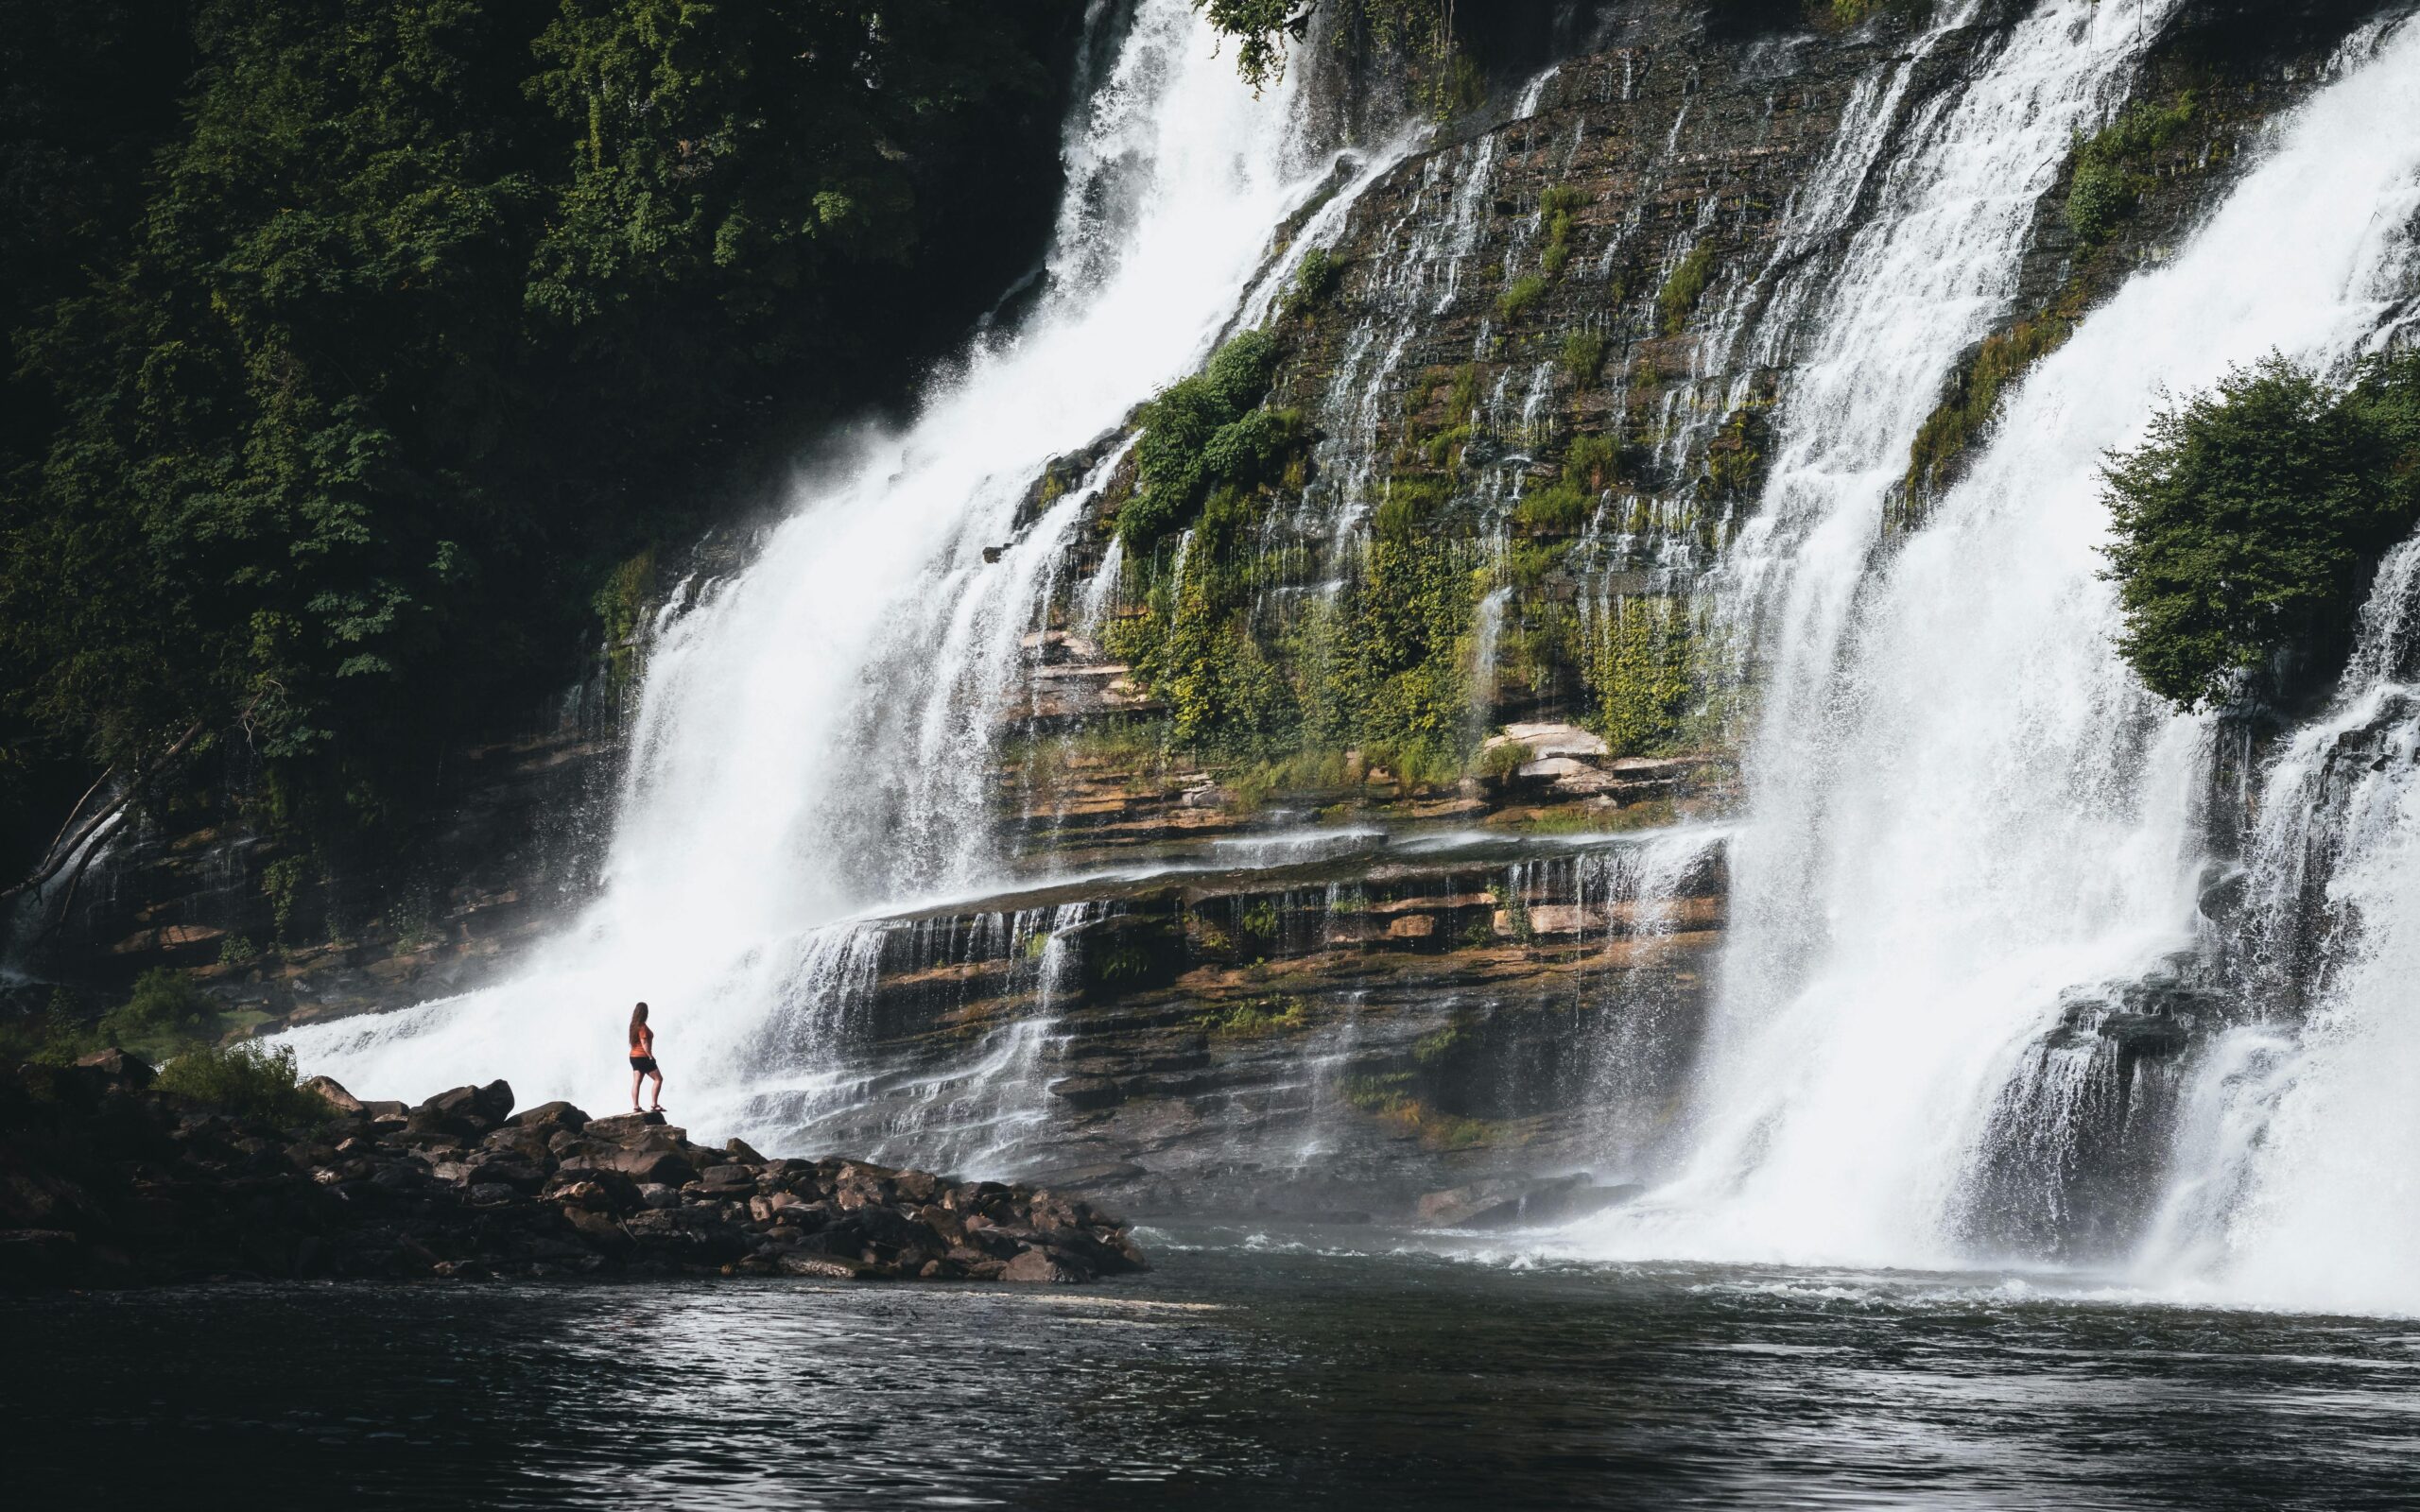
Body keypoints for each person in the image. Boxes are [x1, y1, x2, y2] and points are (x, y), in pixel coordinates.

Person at [628, 1002, 664, 1114]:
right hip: (643, 1057)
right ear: (644, 1013)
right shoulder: (642, 1026)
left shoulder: (633, 1025)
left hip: (633, 1056)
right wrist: (650, 1056)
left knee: (637, 1082)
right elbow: (644, 1043)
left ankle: (636, 1107)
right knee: (658, 1079)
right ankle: (654, 1104)